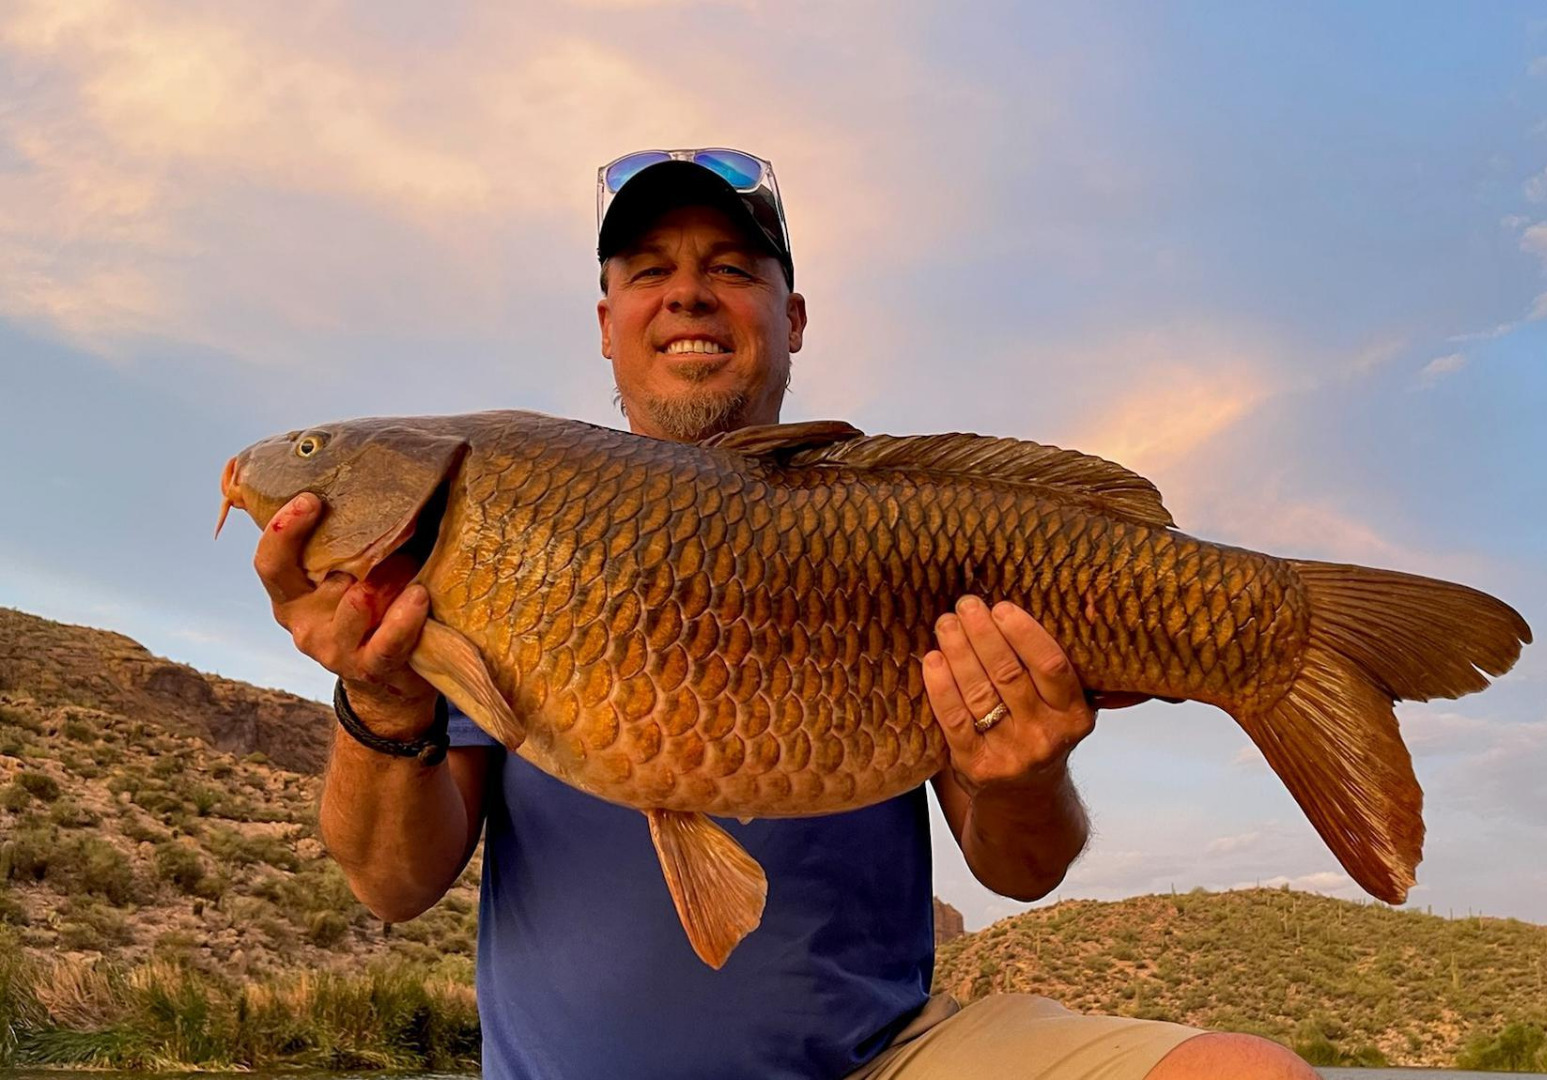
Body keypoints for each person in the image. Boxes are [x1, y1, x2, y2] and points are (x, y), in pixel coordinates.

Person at [254, 147, 1319, 1080]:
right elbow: (392, 886)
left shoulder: (896, 528)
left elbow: (1021, 870)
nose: (688, 295)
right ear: (607, 324)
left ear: (791, 316)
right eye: (649, 272)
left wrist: (1027, 772)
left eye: (729, 268)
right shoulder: (499, 535)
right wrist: (380, 694)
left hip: (881, 1060)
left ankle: (1296, 644)